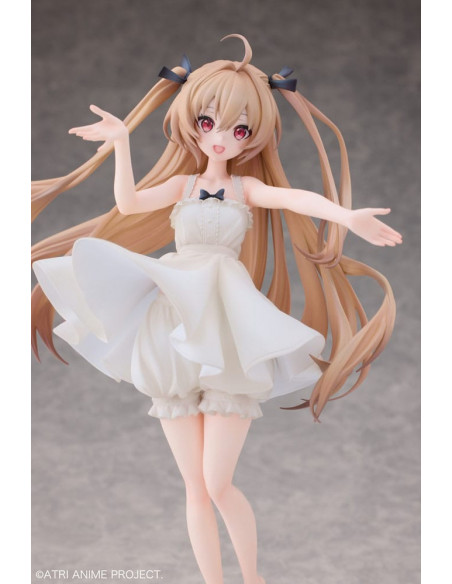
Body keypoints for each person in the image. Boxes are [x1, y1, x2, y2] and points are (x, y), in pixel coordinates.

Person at [31, 34, 402, 584]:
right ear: (192, 123)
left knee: (218, 483)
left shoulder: (246, 189)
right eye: (208, 123)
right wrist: (122, 143)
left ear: (253, 137)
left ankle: (252, 579)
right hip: (173, 324)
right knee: (195, 488)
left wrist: (345, 217)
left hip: (227, 329)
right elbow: (128, 204)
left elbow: (296, 199)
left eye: (239, 130)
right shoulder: (181, 185)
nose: (221, 137)